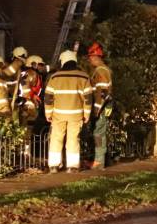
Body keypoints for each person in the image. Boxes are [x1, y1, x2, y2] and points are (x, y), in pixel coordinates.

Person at [45, 50, 92, 173]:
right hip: (76, 115)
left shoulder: (54, 77)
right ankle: (72, 166)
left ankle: (54, 166)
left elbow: (48, 97)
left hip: (58, 114)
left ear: (63, 61)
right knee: (73, 139)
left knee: (56, 138)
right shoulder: (83, 77)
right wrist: (86, 114)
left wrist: (48, 113)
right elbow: (88, 98)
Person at [87, 42, 113, 170]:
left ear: (95, 57)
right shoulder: (104, 70)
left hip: (101, 108)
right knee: (100, 132)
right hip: (105, 107)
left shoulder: (100, 71)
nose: (89, 60)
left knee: (98, 133)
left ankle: (99, 162)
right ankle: (102, 159)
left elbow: (102, 92)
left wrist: (97, 109)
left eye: (90, 57)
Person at [19, 55, 45, 141]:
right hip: (28, 105)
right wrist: (32, 97)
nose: (42, 66)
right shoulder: (31, 73)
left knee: (26, 129)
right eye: (40, 64)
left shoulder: (28, 73)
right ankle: (26, 150)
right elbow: (25, 87)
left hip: (27, 103)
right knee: (28, 129)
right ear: (33, 64)